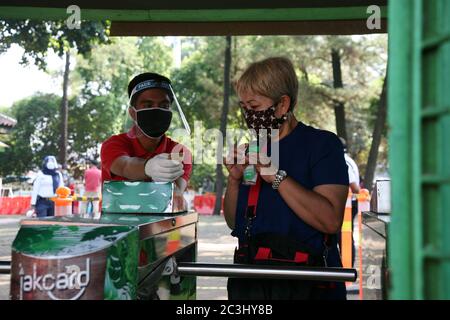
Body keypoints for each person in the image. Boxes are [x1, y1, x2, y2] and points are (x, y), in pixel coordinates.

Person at [223, 57, 349, 300]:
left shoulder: (322, 145)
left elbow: (330, 221)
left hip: (309, 284)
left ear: (282, 105)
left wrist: (277, 177)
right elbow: (233, 222)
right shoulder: (253, 150)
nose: (248, 115)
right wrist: (234, 181)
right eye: (243, 107)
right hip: (254, 285)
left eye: (255, 107)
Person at [100, 72, 192, 192]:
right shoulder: (114, 144)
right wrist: (148, 167)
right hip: (118, 211)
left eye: (164, 106)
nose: (156, 111)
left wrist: (170, 176)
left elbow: (178, 192)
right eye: (148, 105)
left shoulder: (180, 152)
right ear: (132, 113)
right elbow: (124, 166)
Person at [339, 137, 361, 267]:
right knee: (345, 236)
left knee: (344, 237)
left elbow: (353, 186)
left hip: (346, 206)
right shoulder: (350, 160)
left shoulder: (343, 161)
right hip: (349, 204)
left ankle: (347, 266)